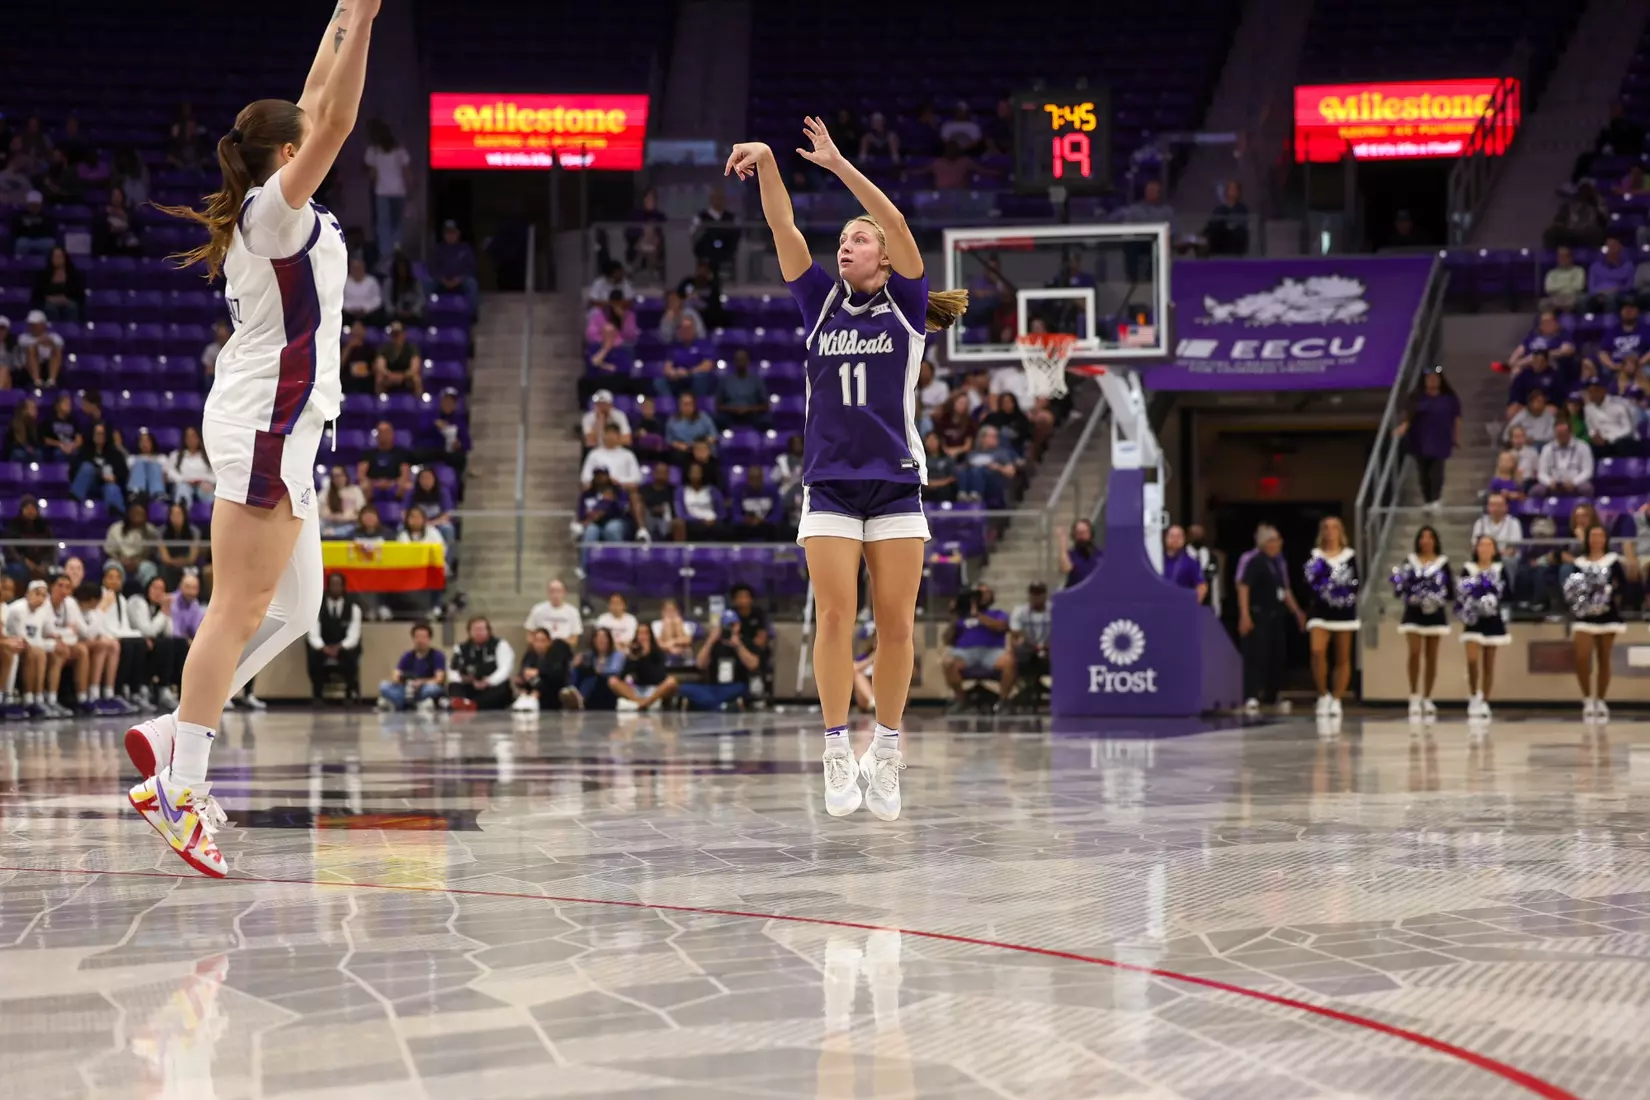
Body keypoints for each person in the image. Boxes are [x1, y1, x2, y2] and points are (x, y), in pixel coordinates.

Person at [126, 1, 379, 879]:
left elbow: (316, 95)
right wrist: (370, 20)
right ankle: (180, 787)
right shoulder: (276, 210)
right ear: (287, 152)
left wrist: (346, 8)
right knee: (236, 608)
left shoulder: (267, 204)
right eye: (303, 137)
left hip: (286, 422)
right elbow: (335, 117)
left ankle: (172, 729)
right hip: (268, 420)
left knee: (298, 608)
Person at [728, 119, 968, 821]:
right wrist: (770, 162)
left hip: (895, 481)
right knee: (834, 616)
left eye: (859, 239)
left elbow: (896, 220)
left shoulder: (908, 304)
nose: (846, 244)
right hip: (830, 481)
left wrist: (836, 164)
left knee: (896, 625)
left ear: (885, 258)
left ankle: (885, 751)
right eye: (843, 239)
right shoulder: (819, 302)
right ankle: (837, 748)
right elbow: (783, 227)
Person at [1569, 523, 1637, 722]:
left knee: (1604, 657)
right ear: (1587, 539)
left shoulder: (1613, 561)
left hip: (1607, 614)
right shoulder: (1579, 562)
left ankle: (1600, 699)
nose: (1596, 539)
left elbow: (1624, 585)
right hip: (1584, 615)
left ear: (1606, 539)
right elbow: (1573, 586)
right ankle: (1587, 699)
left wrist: (1611, 594)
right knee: (1581, 657)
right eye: (1593, 535)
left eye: (1600, 536)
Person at [1237, 524, 1304, 714]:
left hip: (1276, 615)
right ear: (1264, 543)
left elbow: (1285, 590)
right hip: (1258, 614)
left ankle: (1272, 695)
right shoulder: (1254, 560)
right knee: (1255, 655)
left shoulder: (1278, 562)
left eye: (1278, 540)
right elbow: (1244, 587)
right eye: (1273, 540)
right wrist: (1244, 614)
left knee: (1276, 655)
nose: (1277, 544)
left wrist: (1297, 612)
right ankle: (1251, 695)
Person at [1394, 526, 1452, 722]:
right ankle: (1413, 696)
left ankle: (1428, 697)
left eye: (1430, 537)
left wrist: (1435, 596)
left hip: (1435, 614)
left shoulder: (1443, 563)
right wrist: (1412, 595)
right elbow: (1400, 587)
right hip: (1413, 613)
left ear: (1435, 541)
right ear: (1418, 541)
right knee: (1414, 653)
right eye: (1423, 537)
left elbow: (1450, 590)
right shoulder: (1409, 561)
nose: (1426, 541)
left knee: (1432, 656)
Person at [1304, 516, 1358, 719]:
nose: (1330, 531)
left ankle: (1337, 699)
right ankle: (1323, 694)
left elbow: (1356, 582)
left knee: (1343, 657)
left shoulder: (1350, 556)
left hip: (1344, 611)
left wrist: (1343, 594)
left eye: (1334, 527)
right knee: (1317, 651)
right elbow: (1309, 582)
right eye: (1326, 527)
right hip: (1319, 611)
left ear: (1340, 531)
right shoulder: (1315, 556)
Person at [1393, 369, 1460, 509]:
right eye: (1429, 378)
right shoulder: (1417, 398)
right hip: (1420, 440)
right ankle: (1427, 500)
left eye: (1435, 378)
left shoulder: (1449, 398)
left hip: (1441, 440)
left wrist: (1456, 437)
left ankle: (1436, 499)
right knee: (1423, 472)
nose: (1432, 381)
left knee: (1436, 470)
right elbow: (1409, 416)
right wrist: (1403, 427)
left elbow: (1456, 418)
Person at [1459, 535, 1509, 721]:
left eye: (1489, 545)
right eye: (1482, 545)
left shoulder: (1499, 569)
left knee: (1489, 663)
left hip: (1492, 619)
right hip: (1473, 620)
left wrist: (1493, 598)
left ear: (1494, 550)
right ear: (1476, 548)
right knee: (1472, 660)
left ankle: (1485, 700)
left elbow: (1507, 593)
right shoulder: (1468, 569)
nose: (1485, 549)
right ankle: (1473, 695)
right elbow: (1461, 593)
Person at [676, 614, 771, 712]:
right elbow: (700, 664)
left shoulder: (745, 642)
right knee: (685, 688)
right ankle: (723, 706)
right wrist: (710, 641)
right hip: (714, 687)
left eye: (733, 625)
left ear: (739, 626)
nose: (729, 629)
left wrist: (738, 646)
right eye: (726, 626)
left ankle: (709, 705)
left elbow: (754, 665)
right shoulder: (714, 644)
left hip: (735, 686)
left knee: (741, 689)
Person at [306, 572, 362, 702]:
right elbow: (313, 633)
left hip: (343, 647)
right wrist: (323, 647)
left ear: (343, 587)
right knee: (313, 655)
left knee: (352, 654)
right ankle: (318, 695)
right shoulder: (317, 607)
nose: (335, 588)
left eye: (338, 585)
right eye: (333, 585)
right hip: (324, 646)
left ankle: (350, 693)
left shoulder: (353, 607)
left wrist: (340, 647)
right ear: (328, 587)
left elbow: (354, 635)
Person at [363, 120, 411, 261]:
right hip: (398, 191)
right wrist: (410, 189)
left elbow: (372, 174)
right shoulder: (398, 150)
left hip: (382, 192)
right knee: (396, 224)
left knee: (384, 225)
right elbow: (407, 172)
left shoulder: (374, 151)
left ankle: (387, 256)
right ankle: (396, 251)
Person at [607, 622, 679, 711]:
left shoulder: (658, 652)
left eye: (646, 633)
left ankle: (645, 703)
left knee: (671, 681)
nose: (643, 637)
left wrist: (646, 655)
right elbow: (623, 676)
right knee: (612, 681)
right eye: (640, 633)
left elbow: (659, 676)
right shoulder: (633, 653)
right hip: (637, 689)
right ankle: (641, 703)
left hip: (655, 690)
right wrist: (634, 658)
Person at [378, 622, 447, 713]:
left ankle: (401, 703)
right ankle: (411, 703)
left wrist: (421, 682)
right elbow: (396, 674)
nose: (420, 640)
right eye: (417, 637)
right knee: (384, 686)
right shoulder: (408, 655)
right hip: (407, 688)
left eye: (423, 637)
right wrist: (404, 681)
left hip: (424, 688)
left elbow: (439, 679)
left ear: (429, 639)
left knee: (433, 689)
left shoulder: (437, 655)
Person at [448, 616, 514, 710]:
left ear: (488, 631)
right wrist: (467, 680)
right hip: (470, 684)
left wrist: (489, 681)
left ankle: (473, 705)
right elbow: (453, 670)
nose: (478, 633)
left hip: (491, 685)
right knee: (454, 685)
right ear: (469, 632)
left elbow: (505, 669)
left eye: (481, 629)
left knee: (502, 688)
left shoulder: (500, 645)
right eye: (475, 630)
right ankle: (459, 703)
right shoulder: (460, 648)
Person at [1008, 582, 1052, 710]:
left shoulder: (1055, 609)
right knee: (1018, 652)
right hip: (1028, 649)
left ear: (1045, 595)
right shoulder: (1020, 611)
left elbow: (1062, 632)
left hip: (1049, 649)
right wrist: (1032, 645)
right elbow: (1016, 634)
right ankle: (1026, 691)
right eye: (1034, 594)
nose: (1036, 597)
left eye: (1039, 593)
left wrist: (1045, 646)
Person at [72, 423, 130, 515]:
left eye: (102, 434)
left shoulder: (115, 454)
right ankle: (73, 502)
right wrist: (99, 474)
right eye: (97, 434)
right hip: (89, 484)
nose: (99, 436)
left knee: (112, 487)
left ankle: (117, 515)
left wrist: (115, 478)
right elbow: (74, 470)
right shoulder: (84, 451)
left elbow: (123, 473)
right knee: (87, 467)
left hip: (106, 485)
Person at [426, 220, 479, 315]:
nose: (450, 236)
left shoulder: (465, 248)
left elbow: (471, 268)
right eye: (448, 233)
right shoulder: (438, 249)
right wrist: (442, 279)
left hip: (460, 282)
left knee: (472, 283)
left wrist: (459, 279)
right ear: (444, 235)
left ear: (458, 234)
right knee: (427, 282)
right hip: (442, 282)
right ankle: (426, 312)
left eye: (453, 233)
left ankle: (472, 313)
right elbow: (432, 268)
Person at [512, 627, 571, 712]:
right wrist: (522, 678)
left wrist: (538, 672)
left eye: (543, 641)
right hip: (532, 686)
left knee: (543, 680)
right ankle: (526, 698)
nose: (539, 644)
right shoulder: (530, 655)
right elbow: (524, 669)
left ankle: (534, 697)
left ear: (549, 642)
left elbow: (557, 673)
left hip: (551, 691)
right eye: (536, 641)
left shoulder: (556, 654)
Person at [105, 501, 160, 590]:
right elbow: (110, 551)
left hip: (141, 562)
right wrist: (121, 559)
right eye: (135, 513)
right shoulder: (116, 528)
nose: (138, 516)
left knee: (148, 567)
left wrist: (139, 561)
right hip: (120, 560)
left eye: (141, 514)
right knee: (112, 566)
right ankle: (113, 595)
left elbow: (153, 552)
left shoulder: (151, 531)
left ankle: (150, 595)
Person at [1534, 418, 1594, 497]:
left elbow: (1587, 471)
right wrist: (1549, 482)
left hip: (1575, 481)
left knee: (1586, 489)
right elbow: (1541, 473)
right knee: (1537, 491)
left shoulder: (1583, 447)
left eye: (1564, 434)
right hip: (1553, 482)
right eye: (1559, 435)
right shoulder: (1547, 448)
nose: (1561, 437)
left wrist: (1574, 482)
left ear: (1570, 433)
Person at [715, 349, 773, 430]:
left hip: (752, 414)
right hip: (730, 414)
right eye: (738, 360)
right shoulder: (725, 381)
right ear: (734, 362)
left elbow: (766, 406)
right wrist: (733, 409)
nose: (740, 362)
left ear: (748, 361)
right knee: (718, 420)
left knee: (766, 421)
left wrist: (748, 409)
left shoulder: (757, 381)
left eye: (742, 359)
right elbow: (718, 406)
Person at [1583, 378, 1637, 457]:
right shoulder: (1588, 409)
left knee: (1622, 445)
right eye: (1589, 392)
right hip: (1601, 442)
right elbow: (1590, 427)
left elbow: (1628, 428)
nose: (1591, 394)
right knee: (1589, 448)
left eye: (1595, 391)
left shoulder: (1619, 405)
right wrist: (1594, 436)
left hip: (1619, 439)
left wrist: (1609, 438)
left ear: (1603, 390)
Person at [32, 247, 86, 322]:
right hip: (49, 302)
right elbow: (37, 295)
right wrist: (49, 298)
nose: (57, 259)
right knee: (50, 308)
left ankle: (71, 327)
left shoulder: (73, 274)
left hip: (68, 301)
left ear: (65, 258)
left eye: (60, 256)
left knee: (72, 307)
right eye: (55, 257)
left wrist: (65, 299)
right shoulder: (44, 275)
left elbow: (79, 295)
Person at [524, 578, 584, 643]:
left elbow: (574, 638)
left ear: (564, 592)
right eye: (552, 591)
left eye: (558, 591)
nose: (555, 595)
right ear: (548, 592)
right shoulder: (537, 610)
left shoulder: (573, 612)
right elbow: (530, 634)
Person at [167, 426, 216, 505]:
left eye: (193, 436)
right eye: (188, 437)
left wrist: (205, 480)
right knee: (183, 489)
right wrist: (184, 480)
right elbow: (170, 472)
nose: (191, 439)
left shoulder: (208, 456)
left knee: (208, 488)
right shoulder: (176, 455)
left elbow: (216, 475)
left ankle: (212, 510)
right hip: (184, 483)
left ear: (199, 438)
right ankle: (182, 510)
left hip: (204, 484)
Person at [372, 320, 422, 397]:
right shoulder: (384, 348)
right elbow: (380, 367)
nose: (395, 336)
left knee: (416, 379)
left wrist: (402, 376)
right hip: (389, 376)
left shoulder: (412, 348)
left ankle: (418, 401)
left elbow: (414, 368)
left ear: (404, 334)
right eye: (393, 334)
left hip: (406, 377)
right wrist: (390, 375)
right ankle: (380, 400)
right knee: (379, 379)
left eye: (398, 334)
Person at [18, 311, 65, 389]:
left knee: (56, 349)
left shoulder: (53, 336)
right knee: (31, 348)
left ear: (43, 325)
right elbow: (22, 344)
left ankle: (52, 380)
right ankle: (37, 381)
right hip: (29, 370)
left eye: (36, 325)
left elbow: (60, 344)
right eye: (31, 325)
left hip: (48, 367)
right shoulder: (24, 337)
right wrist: (38, 342)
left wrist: (51, 342)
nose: (33, 327)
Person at [1161, 524, 1207, 601]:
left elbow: (1202, 587)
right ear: (1165, 538)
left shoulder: (1191, 563)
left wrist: (1191, 605)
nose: (1175, 539)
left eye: (1178, 536)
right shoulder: (1157, 561)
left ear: (1184, 539)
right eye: (1172, 536)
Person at [319, 465, 366, 537]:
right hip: (330, 524)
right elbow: (320, 512)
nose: (338, 479)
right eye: (335, 476)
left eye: (340, 475)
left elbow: (361, 511)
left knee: (355, 527)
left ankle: (334, 533)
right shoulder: (325, 493)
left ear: (346, 476)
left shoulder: (355, 490)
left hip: (350, 524)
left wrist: (346, 517)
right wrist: (333, 517)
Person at [128, 430, 173, 502]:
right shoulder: (131, 459)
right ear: (138, 444)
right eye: (142, 441)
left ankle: (158, 493)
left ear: (152, 443)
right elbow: (130, 476)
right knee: (139, 463)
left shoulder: (162, 458)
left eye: (147, 441)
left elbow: (166, 477)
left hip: (157, 486)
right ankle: (137, 493)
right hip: (138, 488)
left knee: (154, 465)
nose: (144, 444)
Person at [341, 254, 385, 326]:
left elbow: (377, 299)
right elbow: (340, 300)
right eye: (354, 268)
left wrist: (366, 309)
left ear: (363, 268)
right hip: (349, 314)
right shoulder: (344, 282)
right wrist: (352, 309)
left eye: (359, 268)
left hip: (368, 314)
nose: (356, 270)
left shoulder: (372, 281)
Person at [1058, 519, 1100, 589]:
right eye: (1078, 533)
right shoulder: (1071, 555)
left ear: (1091, 534)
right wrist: (1063, 544)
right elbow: (1065, 568)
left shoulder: (1100, 555)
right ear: (1074, 536)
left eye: (1084, 533)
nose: (1081, 537)